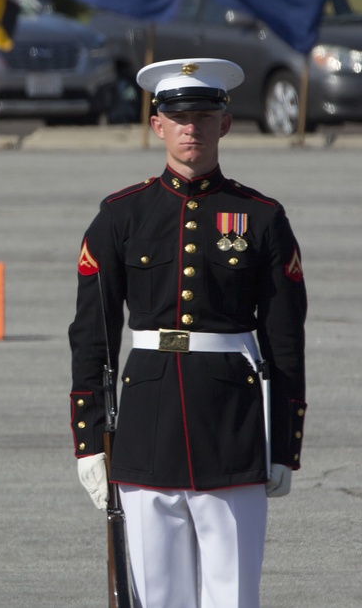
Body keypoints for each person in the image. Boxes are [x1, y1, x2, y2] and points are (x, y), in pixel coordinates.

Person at [68, 58, 307, 608]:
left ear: (224, 124)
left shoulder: (262, 218)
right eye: (178, 117)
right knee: (159, 597)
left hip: (233, 427)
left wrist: (283, 444)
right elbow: (93, 334)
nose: (191, 128)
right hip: (148, 428)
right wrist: (89, 441)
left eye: (203, 115)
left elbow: (285, 338)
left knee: (234, 595)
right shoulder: (121, 217)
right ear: (157, 125)